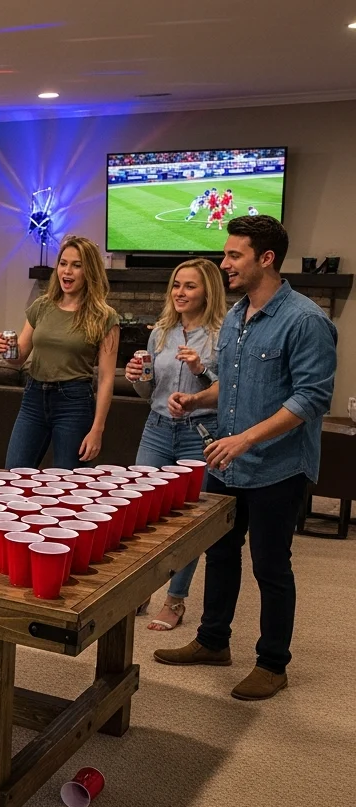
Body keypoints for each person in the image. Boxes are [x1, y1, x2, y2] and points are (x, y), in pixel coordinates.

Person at [155, 215, 337, 701]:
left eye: (234, 255)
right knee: (219, 550)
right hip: (229, 460)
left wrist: (247, 439)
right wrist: (197, 400)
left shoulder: (306, 320)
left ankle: (273, 664)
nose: (225, 262)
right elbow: (233, 389)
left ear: (266, 259)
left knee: (271, 566)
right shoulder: (236, 316)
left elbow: (312, 398)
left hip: (279, 465)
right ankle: (214, 641)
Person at [124, 258, 225, 630]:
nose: (180, 293)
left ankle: (175, 600)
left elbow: (228, 391)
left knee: (186, 522)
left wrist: (201, 370)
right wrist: (134, 377)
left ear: (207, 291)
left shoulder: (221, 334)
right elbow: (148, 390)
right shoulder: (161, 332)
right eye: (176, 285)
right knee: (140, 511)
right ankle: (137, 590)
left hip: (199, 434)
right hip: (157, 428)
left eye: (190, 286)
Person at [0, 235, 120, 469]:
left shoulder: (104, 317)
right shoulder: (42, 305)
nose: (67, 271)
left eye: (76, 265)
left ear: (89, 271)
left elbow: (105, 379)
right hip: (33, 398)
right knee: (14, 472)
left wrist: (97, 429)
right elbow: (19, 357)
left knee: (68, 484)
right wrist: (7, 350)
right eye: (63, 263)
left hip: (74, 402)